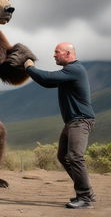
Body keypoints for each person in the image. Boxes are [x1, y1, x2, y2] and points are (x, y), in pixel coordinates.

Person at [24, 42, 96, 209]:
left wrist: (29, 68)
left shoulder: (75, 69)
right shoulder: (69, 72)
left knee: (75, 156)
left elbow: (47, 78)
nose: (54, 55)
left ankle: (85, 197)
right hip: (72, 121)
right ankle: (86, 193)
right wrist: (31, 71)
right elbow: (47, 83)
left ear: (68, 54)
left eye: (57, 52)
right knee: (63, 156)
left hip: (81, 120)